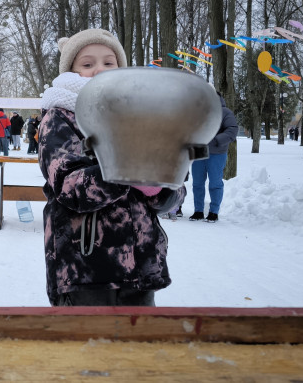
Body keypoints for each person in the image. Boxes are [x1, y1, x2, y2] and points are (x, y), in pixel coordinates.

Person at [38, 28, 183, 307]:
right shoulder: (60, 117)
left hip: (140, 270)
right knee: (88, 349)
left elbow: (176, 191)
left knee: (139, 348)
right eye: (88, 64)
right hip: (85, 269)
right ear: (72, 70)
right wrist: (126, 169)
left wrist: (159, 185)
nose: (99, 70)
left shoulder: (141, 115)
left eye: (109, 62)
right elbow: (70, 188)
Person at [189, 91, 238, 223]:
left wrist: (216, 140)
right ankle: (198, 211)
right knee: (197, 183)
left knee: (215, 183)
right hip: (198, 150)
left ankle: (213, 212)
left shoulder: (225, 112)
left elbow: (232, 130)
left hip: (217, 152)